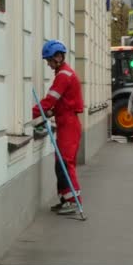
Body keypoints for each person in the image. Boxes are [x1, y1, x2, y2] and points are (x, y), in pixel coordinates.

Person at [33, 40, 84, 215]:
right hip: (66, 122)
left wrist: (29, 114)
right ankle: (65, 198)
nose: (48, 64)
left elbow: (49, 100)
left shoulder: (63, 76)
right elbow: (60, 103)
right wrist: (51, 112)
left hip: (69, 124)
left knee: (65, 163)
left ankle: (73, 201)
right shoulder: (64, 73)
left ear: (58, 57)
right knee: (60, 163)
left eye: (49, 60)